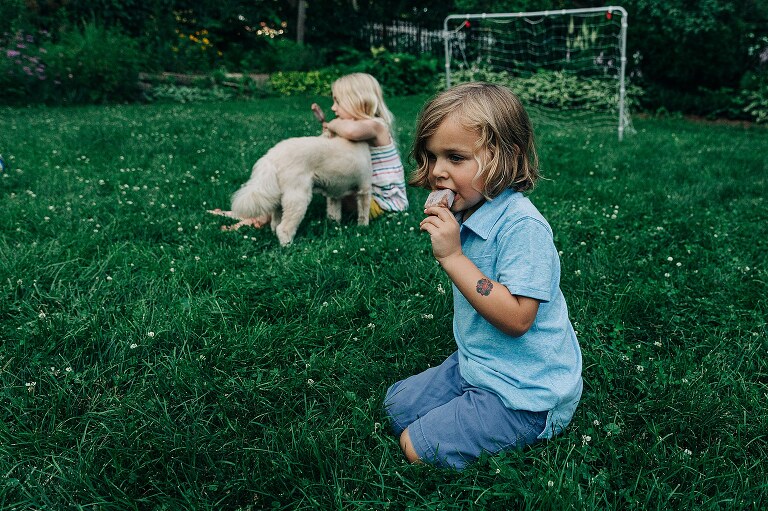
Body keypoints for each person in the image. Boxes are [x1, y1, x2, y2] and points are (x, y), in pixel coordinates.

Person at [383, 82, 583, 470]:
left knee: (415, 447)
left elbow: (518, 319)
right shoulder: (468, 211)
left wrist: (454, 257)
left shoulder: (523, 227)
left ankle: (536, 421)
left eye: (455, 158)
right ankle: (468, 386)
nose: (438, 171)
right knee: (396, 406)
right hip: (478, 362)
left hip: (525, 390)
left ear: (507, 157)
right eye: (432, 156)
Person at [322, 73, 409, 218]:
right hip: (370, 196)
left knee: (335, 181)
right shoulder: (364, 129)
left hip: (385, 205)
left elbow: (351, 131)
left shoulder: (376, 126)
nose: (333, 108)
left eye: (338, 102)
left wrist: (333, 124)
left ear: (358, 101)